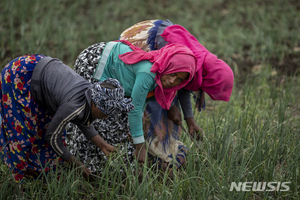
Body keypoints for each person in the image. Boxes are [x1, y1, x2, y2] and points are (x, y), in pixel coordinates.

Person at [0, 54, 134, 184]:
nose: (107, 116)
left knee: (44, 129)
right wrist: (76, 163)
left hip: (41, 71)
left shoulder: (91, 93)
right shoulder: (73, 106)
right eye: (105, 111)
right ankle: (17, 182)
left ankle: (38, 177)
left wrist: (103, 145)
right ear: (95, 103)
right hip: (20, 76)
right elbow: (52, 137)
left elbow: (83, 118)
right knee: (22, 135)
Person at [67, 40, 196, 174]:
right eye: (173, 73)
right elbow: (134, 109)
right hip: (98, 61)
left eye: (179, 79)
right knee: (92, 114)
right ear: (167, 65)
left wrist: (170, 107)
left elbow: (142, 103)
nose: (172, 81)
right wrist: (140, 146)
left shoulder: (163, 79)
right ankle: (80, 164)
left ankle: (118, 170)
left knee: (124, 126)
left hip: (119, 76)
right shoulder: (148, 73)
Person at [119, 19, 234, 169]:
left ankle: (161, 151)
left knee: (166, 101)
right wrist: (170, 106)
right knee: (148, 102)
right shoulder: (189, 59)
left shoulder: (200, 66)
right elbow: (164, 85)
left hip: (167, 63)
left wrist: (190, 121)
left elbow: (183, 87)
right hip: (148, 42)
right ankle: (147, 152)